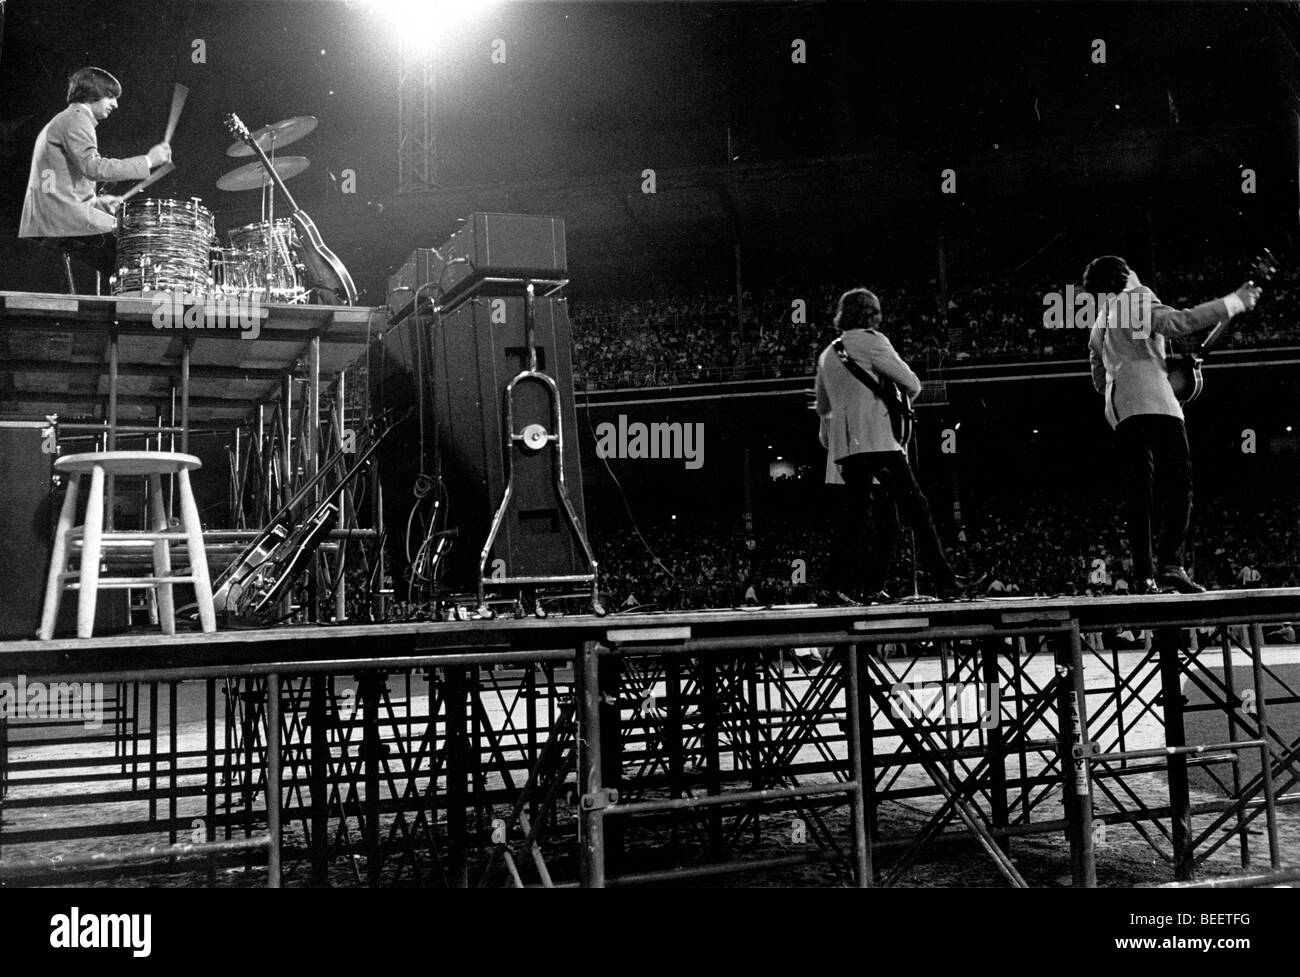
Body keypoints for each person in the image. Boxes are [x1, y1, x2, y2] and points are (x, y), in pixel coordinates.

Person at [1085, 255, 1260, 594]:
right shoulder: (1138, 297)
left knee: (1139, 494)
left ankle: (1143, 576)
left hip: (1121, 408)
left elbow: (1097, 377)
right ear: (1125, 275)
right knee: (1179, 484)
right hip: (1158, 402)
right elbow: (1179, 322)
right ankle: (1171, 564)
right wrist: (1234, 301)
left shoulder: (1099, 323)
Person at [814, 287, 966, 604]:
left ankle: (829, 587)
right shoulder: (872, 341)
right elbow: (911, 383)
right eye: (877, 312)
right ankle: (946, 582)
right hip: (879, 442)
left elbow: (823, 406)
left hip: (847, 449)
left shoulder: (828, 354)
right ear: (869, 314)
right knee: (918, 511)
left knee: (856, 519)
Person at [19, 67, 171, 283]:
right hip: (59, 220)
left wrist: (98, 203)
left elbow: (59, 186)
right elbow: (94, 168)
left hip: (51, 216)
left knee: (126, 252)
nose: (115, 104)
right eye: (110, 97)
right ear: (93, 94)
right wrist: (149, 160)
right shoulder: (76, 120)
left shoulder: (67, 119)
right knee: (135, 245)